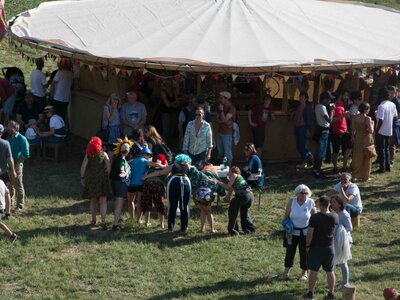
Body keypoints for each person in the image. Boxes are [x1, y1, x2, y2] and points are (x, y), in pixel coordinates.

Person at [143, 154, 213, 233]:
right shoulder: (188, 166)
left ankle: (171, 227)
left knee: (172, 206)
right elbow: (199, 174)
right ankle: (184, 227)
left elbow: (160, 173)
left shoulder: (173, 165)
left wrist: (147, 176)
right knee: (184, 206)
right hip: (185, 182)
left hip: (173, 182)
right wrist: (210, 179)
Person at [304, 195, 338, 300]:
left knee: (314, 270)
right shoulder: (335, 216)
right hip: (329, 247)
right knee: (330, 271)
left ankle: (310, 293)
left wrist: (307, 245)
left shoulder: (315, 217)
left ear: (319, 204)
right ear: (329, 204)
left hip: (316, 247)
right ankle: (331, 293)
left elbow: (310, 233)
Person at [281, 184, 316, 280]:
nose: (304, 195)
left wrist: (313, 232)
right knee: (289, 252)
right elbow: (286, 216)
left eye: (306, 193)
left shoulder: (310, 202)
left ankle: (304, 273)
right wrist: (287, 228)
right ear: (297, 193)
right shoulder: (292, 201)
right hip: (291, 233)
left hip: (305, 233)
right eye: (302, 193)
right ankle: (286, 271)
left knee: (304, 253)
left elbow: (314, 218)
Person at [80, 137, 112, 230]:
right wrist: (107, 176)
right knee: (103, 201)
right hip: (102, 179)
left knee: (93, 200)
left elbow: (83, 167)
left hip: (91, 179)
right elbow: (108, 166)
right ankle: (103, 221)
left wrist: (82, 178)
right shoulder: (104, 154)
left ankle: (93, 220)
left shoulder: (88, 155)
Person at [127, 147, 164, 223]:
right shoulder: (144, 161)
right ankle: (139, 219)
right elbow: (155, 164)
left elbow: (126, 164)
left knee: (131, 201)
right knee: (140, 202)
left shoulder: (132, 161)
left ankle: (131, 218)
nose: (149, 157)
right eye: (149, 155)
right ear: (144, 154)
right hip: (141, 183)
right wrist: (163, 166)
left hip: (132, 183)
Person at [216, 166, 256, 236]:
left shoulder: (234, 175)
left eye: (229, 172)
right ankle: (249, 229)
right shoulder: (239, 176)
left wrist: (217, 182)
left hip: (243, 196)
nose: (228, 174)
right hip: (250, 196)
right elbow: (230, 188)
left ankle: (233, 231)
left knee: (232, 211)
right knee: (244, 212)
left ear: (232, 171)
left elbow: (227, 187)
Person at [6, 120, 30, 212]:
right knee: (9, 185)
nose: (7, 128)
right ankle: (10, 202)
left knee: (18, 185)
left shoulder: (22, 138)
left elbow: (26, 154)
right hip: (8, 165)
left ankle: (20, 205)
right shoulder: (9, 138)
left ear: (15, 128)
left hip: (17, 165)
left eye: (9, 126)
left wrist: (16, 165)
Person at [330, 195, 352, 290]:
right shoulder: (333, 213)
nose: (332, 204)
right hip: (335, 240)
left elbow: (349, 228)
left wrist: (340, 230)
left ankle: (345, 284)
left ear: (339, 204)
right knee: (333, 261)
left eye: (334, 202)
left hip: (344, 241)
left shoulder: (344, 214)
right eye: (331, 202)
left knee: (343, 262)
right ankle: (334, 281)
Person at [110, 137, 132, 231]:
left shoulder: (118, 158)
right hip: (120, 184)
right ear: (127, 151)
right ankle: (115, 224)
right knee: (119, 203)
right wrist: (123, 172)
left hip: (114, 182)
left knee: (117, 202)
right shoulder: (121, 160)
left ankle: (118, 218)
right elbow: (122, 167)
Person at [141, 154, 168, 228]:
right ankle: (161, 224)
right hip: (158, 185)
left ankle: (147, 222)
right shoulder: (164, 169)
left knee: (147, 203)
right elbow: (166, 176)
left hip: (147, 184)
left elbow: (145, 174)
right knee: (159, 204)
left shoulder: (150, 169)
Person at [376, 87, 398, 173]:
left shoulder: (381, 106)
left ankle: (382, 168)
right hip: (389, 129)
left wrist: (377, 131)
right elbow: (395, 116)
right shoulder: (392, 104)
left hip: (381, 130)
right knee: (386, 148)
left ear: (381, 96)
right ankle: (387, 166)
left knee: (381, 149)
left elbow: (380, 120)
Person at [351, 102, 374, 181]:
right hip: (366, 137)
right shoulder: (367, 118)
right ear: (366, 110)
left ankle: (355, 175)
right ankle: (365, 175)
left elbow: (353, 129)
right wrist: (373, 124)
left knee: (357, 155)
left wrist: (352, 138)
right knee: (366, 156)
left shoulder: (354, 117)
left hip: (358, 136)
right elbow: (371, 130)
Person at [330, 89, 352, 173]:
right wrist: (343, 115)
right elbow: (331, 120)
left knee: (347, 148)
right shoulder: (333, 105)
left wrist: (347, 115)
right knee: (336, 150)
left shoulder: (343, 104)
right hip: (336, 131)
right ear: (341, 95)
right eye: (345, 95)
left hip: (345, 129)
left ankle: (344, 166)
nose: (347, 97)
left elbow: (342, 116)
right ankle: (335, 167)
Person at [313, 92, 332, 179]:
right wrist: (332, 111)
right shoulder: (323, 107)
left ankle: (315, 169)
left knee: (318, 150)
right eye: (328, 99)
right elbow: (329, 120)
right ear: (324, 99)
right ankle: (318, 170)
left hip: (319, 128)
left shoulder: (317, 106)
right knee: (321, 152)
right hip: (324, 131)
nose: (329, 101)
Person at [292, 91, 313, 168]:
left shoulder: (307, 108)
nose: (301, 99)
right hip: (297, 127)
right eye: (300, 97)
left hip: (303, 128)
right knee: (298, 145)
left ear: (306, 99)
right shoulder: (298, 107)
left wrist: (308, 130)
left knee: (302, 145)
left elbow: (309, 120)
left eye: (303, 98)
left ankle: (305, 162)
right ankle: (310, 156)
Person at [0, 124, 17, 219]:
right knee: (6, 193)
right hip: (3, 172)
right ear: (2, 133)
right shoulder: (6, 143)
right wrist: (13, 170)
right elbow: (10, 158)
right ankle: (7, 213)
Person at [217, 91, 236, 166]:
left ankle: (228, 168)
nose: (220, 100)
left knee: (227, 152)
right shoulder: (221, 107)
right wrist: (224, 121)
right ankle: (223, 167)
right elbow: (218, 119)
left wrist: (222, 112)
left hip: (227, 133)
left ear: (226, 99)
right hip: (220, 132)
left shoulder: (232, 108)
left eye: (221, 98)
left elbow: (224, 120)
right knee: (220, 152)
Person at [160, 79, 180, 145]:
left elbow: (177, 103)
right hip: (165, 113)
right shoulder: (163, 92)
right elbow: (167, 105)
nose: (169, 86)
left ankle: (169, 146)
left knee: (172, 130)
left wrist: (172, 104)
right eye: (168, 84)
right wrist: (173, 104)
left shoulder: (174, 92)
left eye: (171, 84)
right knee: (166, 131)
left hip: (173, 113)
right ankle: (162, 145)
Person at [388, 86, 400, 166]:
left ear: (395, 93)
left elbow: (398, 114)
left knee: (392, 142)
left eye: (393, 93)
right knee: (387, 142)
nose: (392, 94)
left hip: (394, 123)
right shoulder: (388, 100)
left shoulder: (397, 101)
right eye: (390, 92)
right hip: (388, 123)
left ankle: (391, 160)